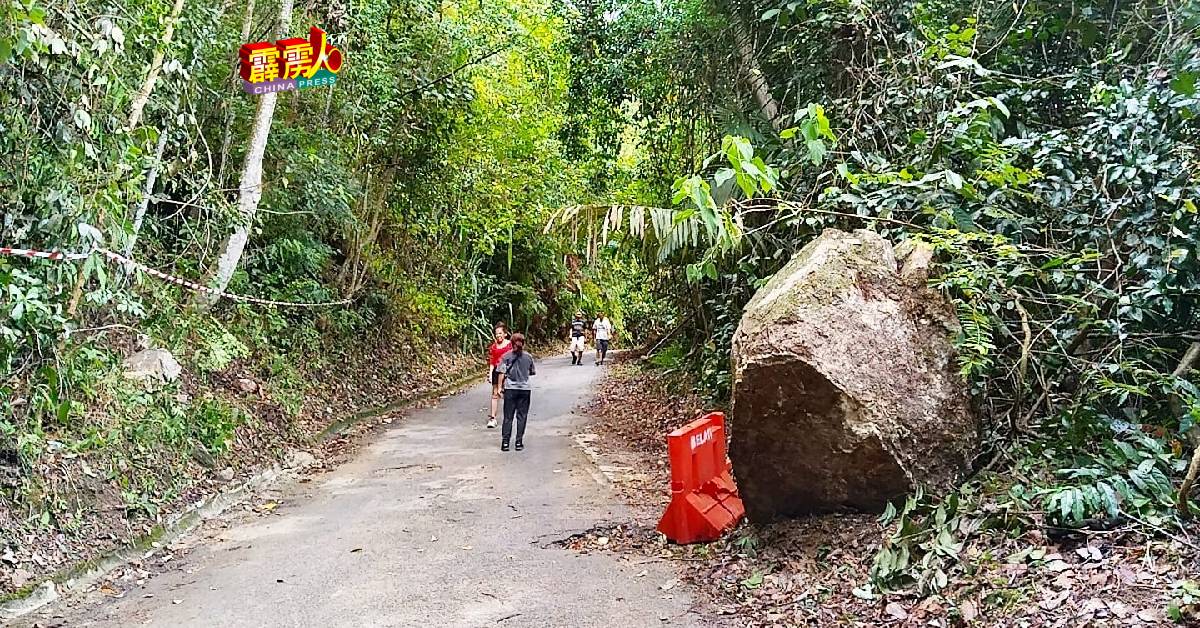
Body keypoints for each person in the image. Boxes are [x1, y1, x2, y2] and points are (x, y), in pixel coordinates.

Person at [497, 332, 535, 451]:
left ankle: (505, 443)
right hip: (524, 389)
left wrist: (499, 387)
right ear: (523, 344)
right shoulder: (528, 357)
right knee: (522, 416)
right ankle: (518, 442)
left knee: (508, 416)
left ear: (511, 343)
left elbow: (501, 373)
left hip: (510, 389)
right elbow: (532, 372)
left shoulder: (506, 356)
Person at [485, 322, 511, 429]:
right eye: (496, 334)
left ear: (505, 334)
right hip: (497, 370)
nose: (498, 336)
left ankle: (509, 417)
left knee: (508, 394)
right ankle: (493, 418)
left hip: (508, 371)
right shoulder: (494, 347)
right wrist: (490, 374)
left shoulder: (510, 345)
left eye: (500, 333)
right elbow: (492, 361)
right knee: (495, 394)